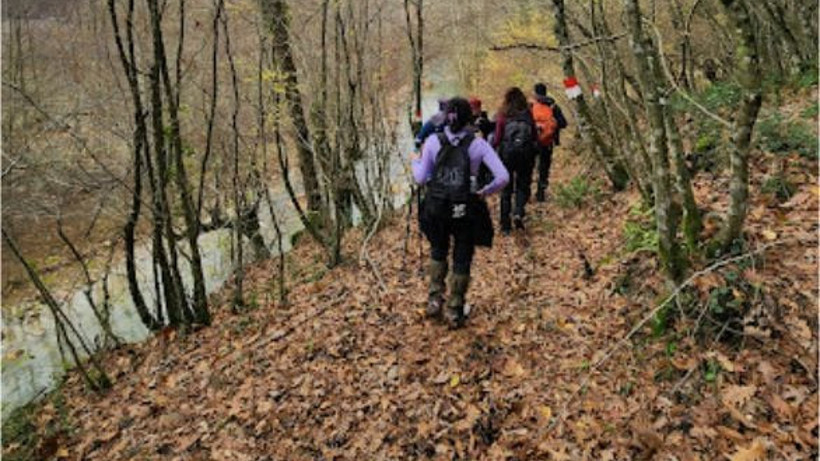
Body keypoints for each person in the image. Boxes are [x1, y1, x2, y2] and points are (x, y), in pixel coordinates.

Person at [412, 97, 509, 328]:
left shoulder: (433, 142)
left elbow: (420, 178)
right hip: (465, 208)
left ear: (445, 117)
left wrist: (415, 162)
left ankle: (434, 299)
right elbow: (503, 177)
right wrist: (484, 192)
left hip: (436, 207)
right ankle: (455, 309)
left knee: (438, 249)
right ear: (470, 118)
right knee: (462, 255)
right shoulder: (478, 145)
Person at [492, 87, 538, 234]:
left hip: (507, 156)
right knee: (522, 185)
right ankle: (518, 212)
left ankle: (505, 226)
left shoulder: (503, 115)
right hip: (525, 155)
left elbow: (497, 138)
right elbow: (535, 137)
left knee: (506, 189)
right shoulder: (527, 114)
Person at [532, 83, 568, 202]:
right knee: (544, 167)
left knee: (529, 167)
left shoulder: (531, 106)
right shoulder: (553, 107)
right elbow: (563, 123)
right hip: (547, 143)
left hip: (532, 143)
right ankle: (541, 193)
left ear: (535, 93)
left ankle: (525, 192)